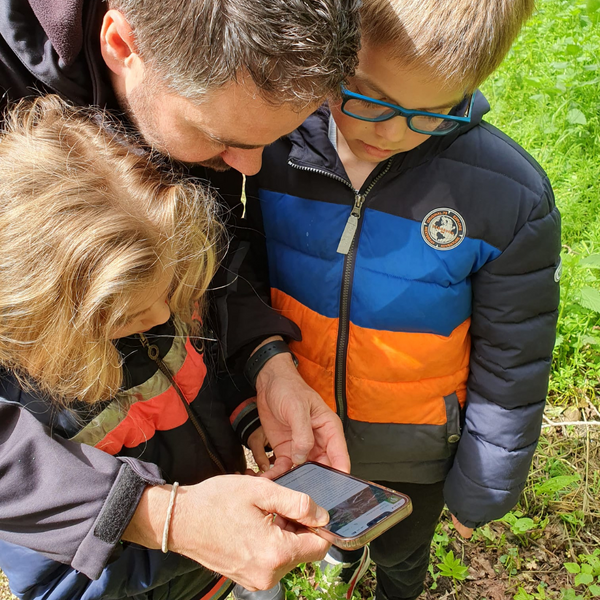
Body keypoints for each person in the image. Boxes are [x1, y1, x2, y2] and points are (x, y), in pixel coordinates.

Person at [0, 0, 362, 591]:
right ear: (120, 43)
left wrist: (264, 361)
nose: (249, 169)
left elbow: (212, 264)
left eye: (274, 139)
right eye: (221, 138)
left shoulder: (211, 99)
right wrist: (159, 517)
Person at [222, 0, 562, 598]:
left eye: (431, 113)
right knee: (323, 525)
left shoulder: (509, 194)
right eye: (368, 98)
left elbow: (515, 355)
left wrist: (486, 482)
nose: (393, 132)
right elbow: (242, 267)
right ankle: (342, 558)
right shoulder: (270, 146)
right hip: (304, 426)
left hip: (418, 450)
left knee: (404, 553)